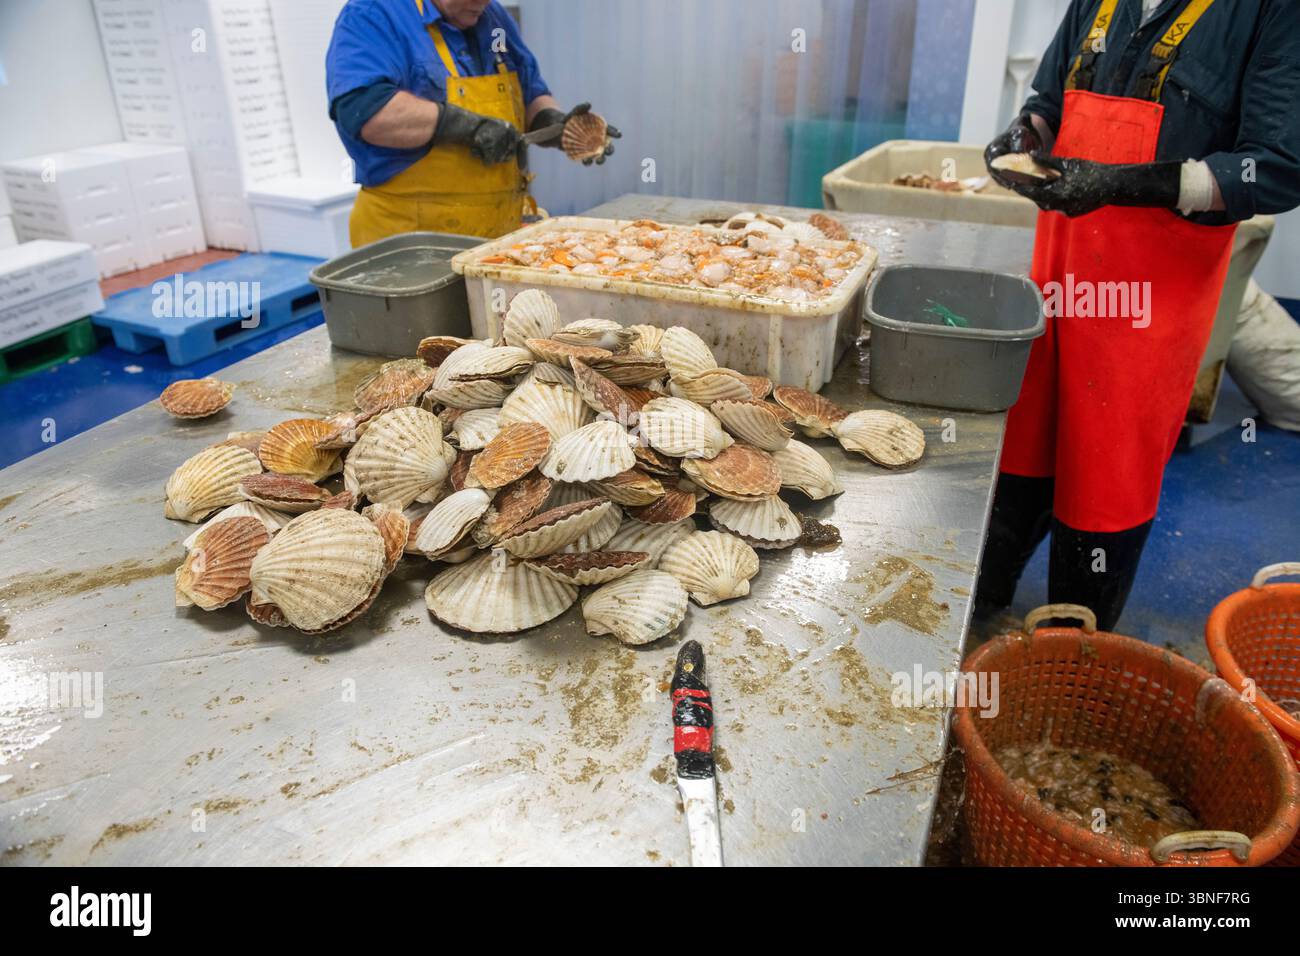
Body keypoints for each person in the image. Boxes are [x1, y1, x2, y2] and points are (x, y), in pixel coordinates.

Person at [976, 0, 1300, 632]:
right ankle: (980, 608)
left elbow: (1277, 169)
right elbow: (1051, 101)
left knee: (1108, 472)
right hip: (1058, 279)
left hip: (1149, 306)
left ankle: (1074, 650)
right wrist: (1026, 133)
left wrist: (1126, 185)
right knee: (1023, 443)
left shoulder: (1270, 13)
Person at [326, 0, 619, 245]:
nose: (483, 2)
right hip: (411, 244)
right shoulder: (373, 14)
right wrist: (467, 128)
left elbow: (531, 92)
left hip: (495, 237)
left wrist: (557, 124)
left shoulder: (492, 17)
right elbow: (366, 113)